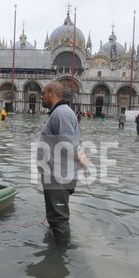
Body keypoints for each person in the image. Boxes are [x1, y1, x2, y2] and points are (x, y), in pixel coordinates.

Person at [37, 82, 87, 238]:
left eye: (43, 93)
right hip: (57, 175)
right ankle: (56, 247)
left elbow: (68, 144)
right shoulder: (61, 112)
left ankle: (60, 257)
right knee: (56, 217)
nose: (41, 96)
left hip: (58, 177)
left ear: (52, 93)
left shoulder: (60, 114)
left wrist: (80, 160)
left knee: (59, 219)